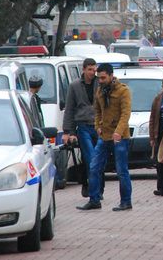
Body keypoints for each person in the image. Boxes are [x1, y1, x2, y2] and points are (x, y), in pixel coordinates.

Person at [77, 63, 133, 211]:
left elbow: (125, 113)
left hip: (120, 137)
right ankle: (94, 199)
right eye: (99, 78)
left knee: (121, 170)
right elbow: (97, 111)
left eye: (103, 78)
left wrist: (118, 132)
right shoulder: (100, 91)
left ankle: (126, 201)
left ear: (111, 75)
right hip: (104, 136)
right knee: (94, 167)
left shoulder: (123, 91)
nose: (100, 80)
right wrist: (98, 126)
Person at [62, 58, 100, 198]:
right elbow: (70, 109)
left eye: (94, 69)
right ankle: (90, 188)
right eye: (89, 69)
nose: (92, 72)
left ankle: (96, 187)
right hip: (83, 126)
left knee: (98, 158)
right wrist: (68, 131)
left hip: (98, 126)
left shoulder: (99, 83)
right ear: (83, 69)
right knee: (90, 157)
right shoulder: (75, 85)